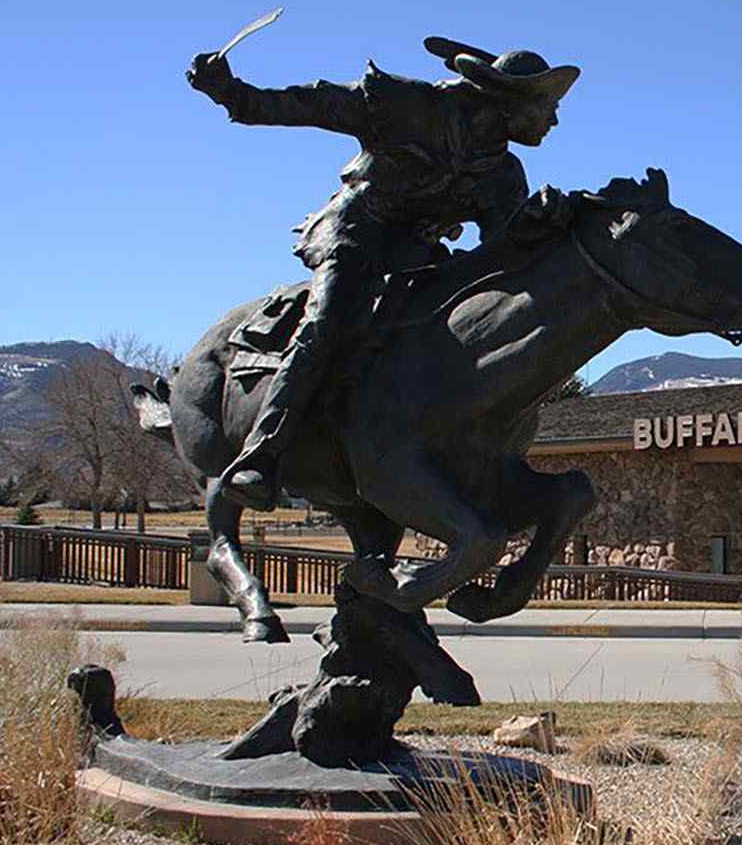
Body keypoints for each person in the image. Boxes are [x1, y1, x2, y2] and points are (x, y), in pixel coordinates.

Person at [186, 38, 578, 510]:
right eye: (547, 106)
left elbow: (504, 253)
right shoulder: (406, 105)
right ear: (511, 102)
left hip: (419, 255)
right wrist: (232, 93)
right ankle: (264, 452)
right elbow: (312, 105)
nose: (553, 120)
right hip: (355, 235)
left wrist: (545, 224)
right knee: (327, 321)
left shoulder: (503, 174)